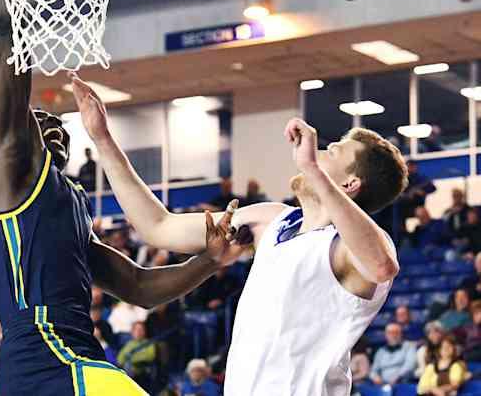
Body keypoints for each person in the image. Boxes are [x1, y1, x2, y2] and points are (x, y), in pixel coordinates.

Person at [0, 0, 245, 396]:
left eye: (56, 120)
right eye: (38, 117)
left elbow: (140, 289)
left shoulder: (71, 205)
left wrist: (209, 261)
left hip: (75, 355)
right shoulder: (11, 174)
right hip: (44, 354)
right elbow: (8, 38)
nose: (51, 123)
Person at [70, 74, 408, 396]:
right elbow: (158, 226)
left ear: (349, 184)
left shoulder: (345, 249)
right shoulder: (271, 220)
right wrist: (102, 138)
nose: (314, 154)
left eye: (329, 152)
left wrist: (313, 171)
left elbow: (382, 266)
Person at [116, 322, 157, 387]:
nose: (139, 332)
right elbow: (120, 360)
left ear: (145, 331)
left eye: (141, 329)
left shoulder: (149, 344)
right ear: (132, 332)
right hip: (129, 374)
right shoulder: (128, 344)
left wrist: (131, 358)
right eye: (136, 330)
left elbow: (150, 356)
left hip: (144, 374)